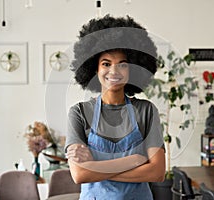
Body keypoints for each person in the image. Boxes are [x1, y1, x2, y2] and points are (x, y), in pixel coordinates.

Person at [65, 15, 165, 200]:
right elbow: (80, 175)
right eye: (106, 64)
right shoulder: (79, 113)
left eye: (123, 64)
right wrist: (133, 162)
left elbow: (157, 172)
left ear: (133, 69)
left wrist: (95, 167)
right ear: (94, 69)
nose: (114, 71)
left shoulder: (146, 111)